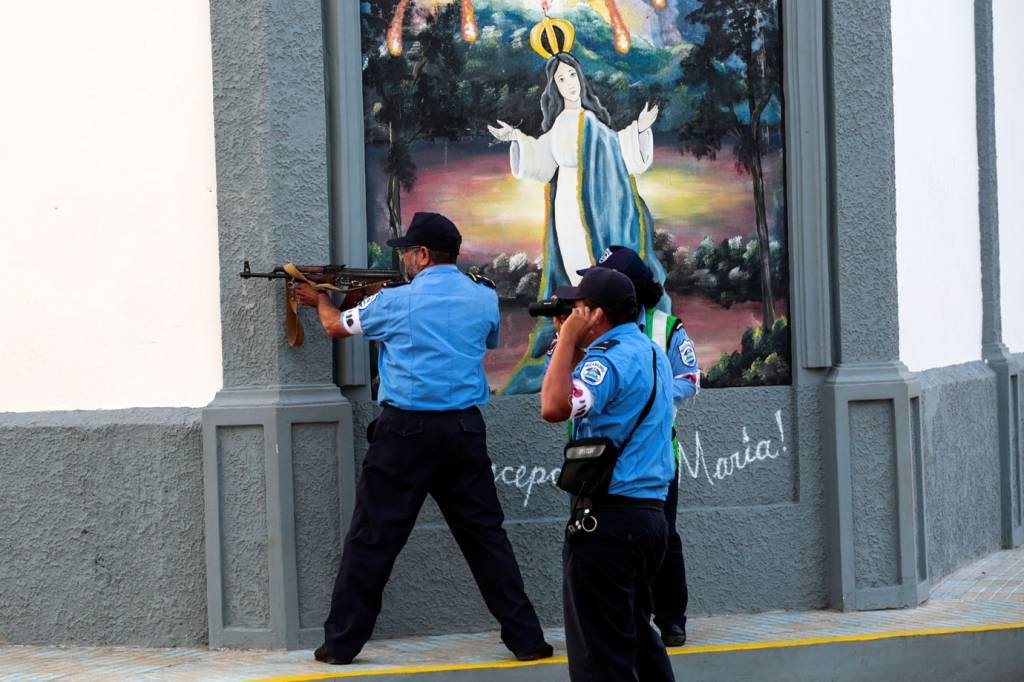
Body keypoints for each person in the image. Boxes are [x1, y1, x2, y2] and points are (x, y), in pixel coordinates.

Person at [293, 211, 553, 665]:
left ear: (424, 254)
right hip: (464, 429)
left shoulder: (394, 302)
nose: (405, 259)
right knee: (486, 538)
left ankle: (341, 644)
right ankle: (526, 638)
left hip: (405, 432)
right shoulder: (483, 298)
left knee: (373, 538)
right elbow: (489, 340)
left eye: (408, 252)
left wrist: (318, 300)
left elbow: (336, 328)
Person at [488, 40, 668, 394]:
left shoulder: (592, 122)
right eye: (561, 79)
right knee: (574, 267)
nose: (568, 83)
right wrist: (516, 138)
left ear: (580, 79)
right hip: (567, 207)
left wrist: (640, 130)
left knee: (595, 264)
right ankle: (581, 332)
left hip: (598, 208)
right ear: (554, 87)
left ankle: (602, 329)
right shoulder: (558, 126)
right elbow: (542, 161)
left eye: (571, 75)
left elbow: (618, 151)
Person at [540, 267, 676, 681]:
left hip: (608, 522)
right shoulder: (650, 351)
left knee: (600, 655)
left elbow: (554, 405)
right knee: (635, 637)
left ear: (596, 315)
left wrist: (565, 341)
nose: (569, 314)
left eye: (577, 307)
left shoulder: (607, 361)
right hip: (649, 518)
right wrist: (575, 343)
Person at [583, 246, 699, 647]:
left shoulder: (666, 328)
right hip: (595, 460)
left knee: (662, 536)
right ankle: (630, 621)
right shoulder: (586, 327)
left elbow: (690, 379)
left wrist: (645, 395)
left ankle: (670, 619)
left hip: (655, 457)